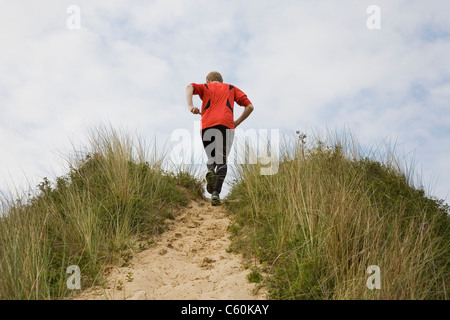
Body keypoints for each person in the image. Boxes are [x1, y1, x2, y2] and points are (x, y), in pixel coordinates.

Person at [186, 71, 254, 206]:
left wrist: (190, 106)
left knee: (212, 157)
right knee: (221, 159)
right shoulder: (231, 88)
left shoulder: (205, 87)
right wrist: (237, 122)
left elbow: (189, 87)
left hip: (207, 125)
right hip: (226, 126)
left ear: (208, 81)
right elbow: (250, 107)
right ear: (221, 81)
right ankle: (216, 193)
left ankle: (211, 171)